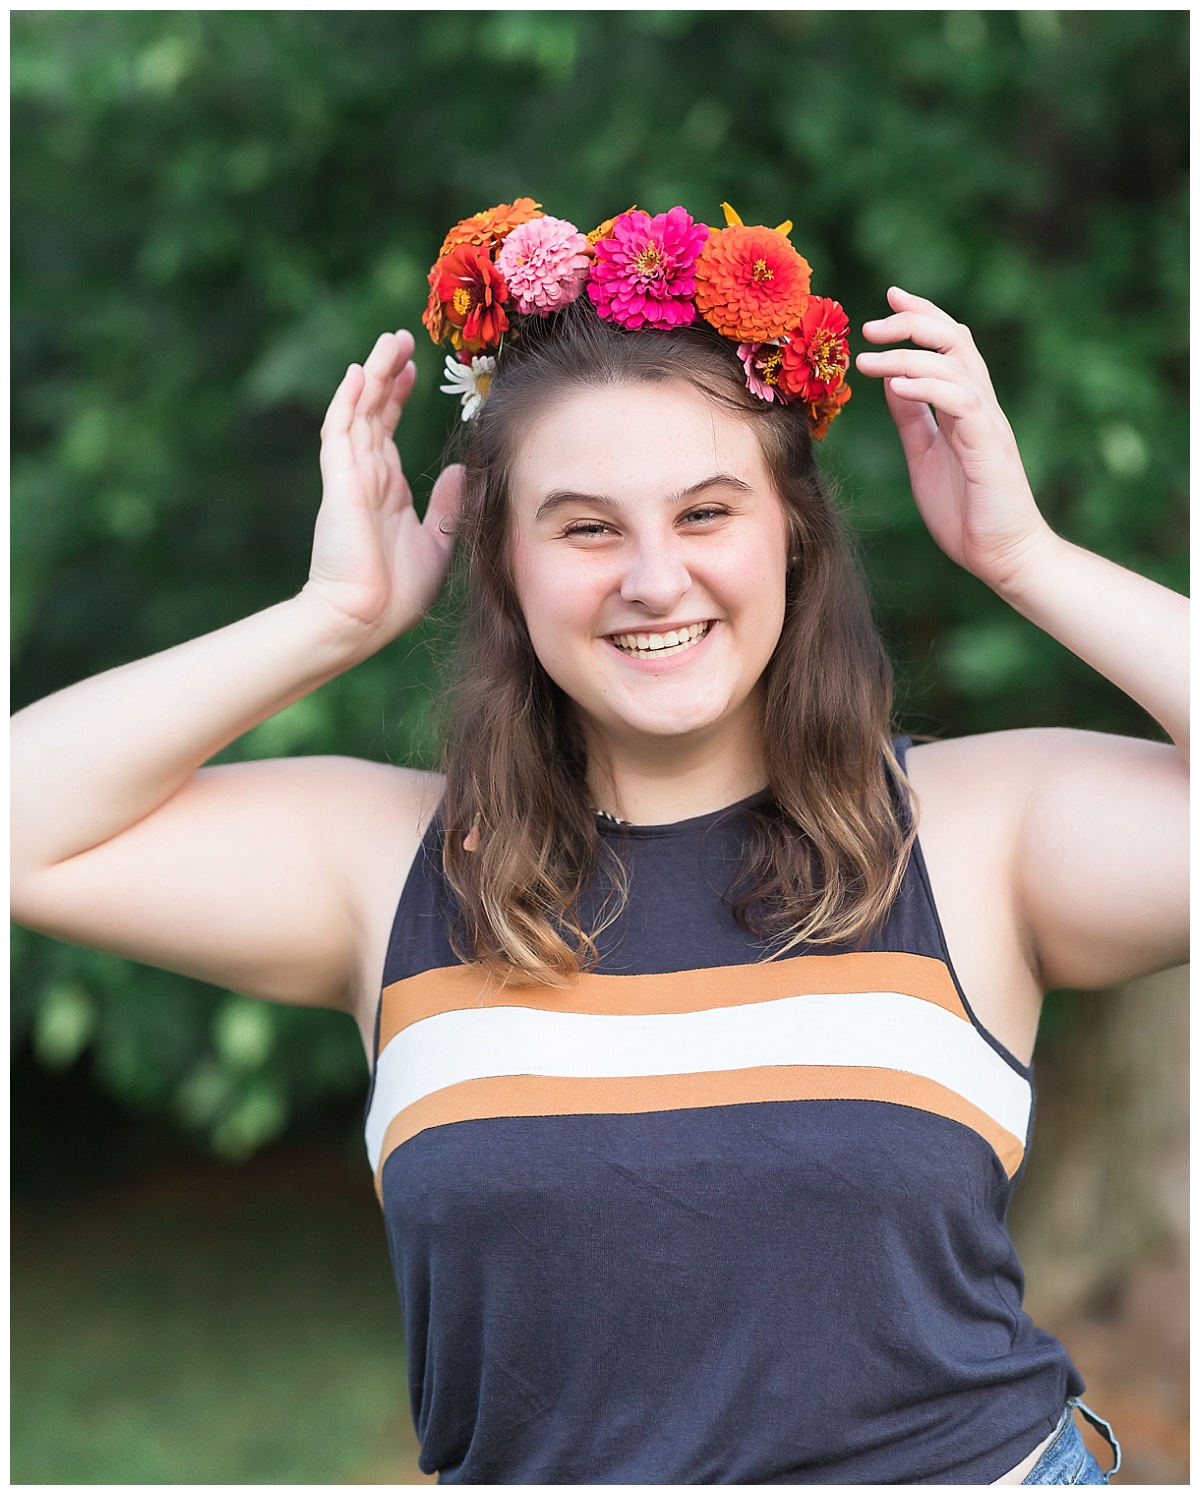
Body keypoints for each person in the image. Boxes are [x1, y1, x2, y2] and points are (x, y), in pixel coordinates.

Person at [10, 202, 1186, 1485]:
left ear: (791, 533)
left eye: (707, 513)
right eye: (585, 528)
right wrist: (330, 617)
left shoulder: (974, 831)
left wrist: (1024, 557)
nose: (653, 579)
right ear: (504, 565)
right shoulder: (393, 864)